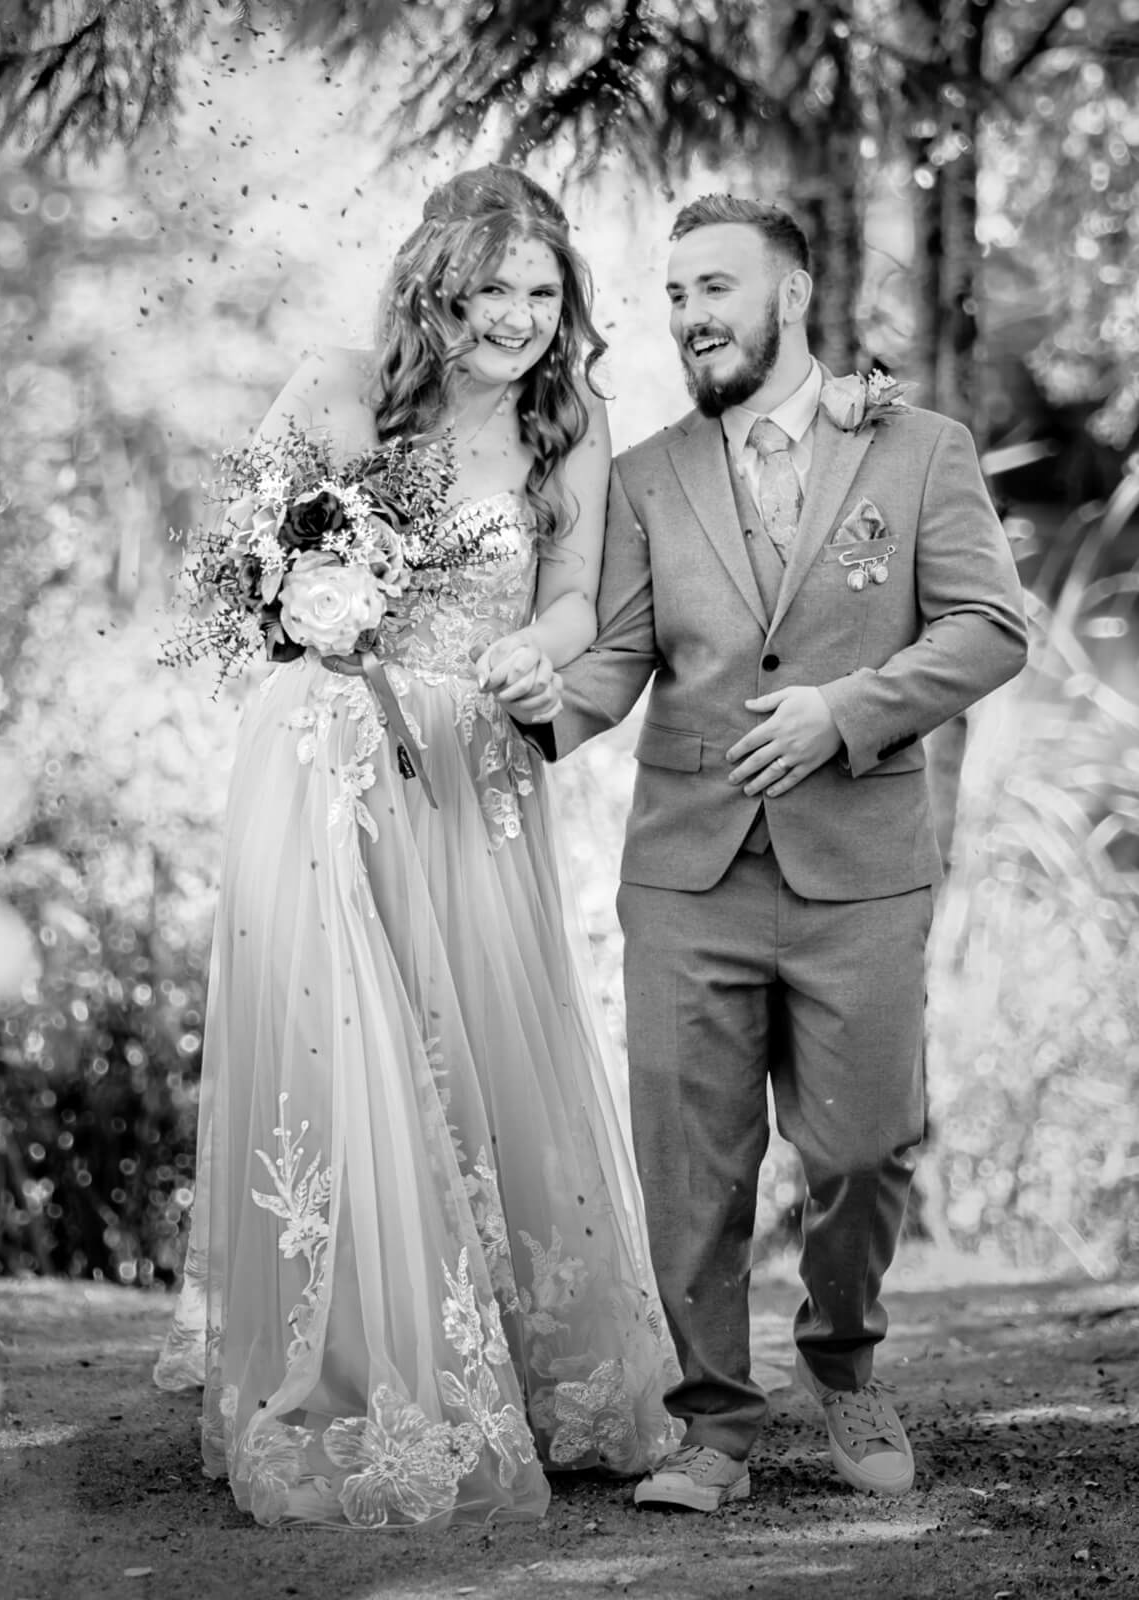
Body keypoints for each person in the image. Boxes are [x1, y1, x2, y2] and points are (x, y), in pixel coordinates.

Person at [154, 165, 679, 1529]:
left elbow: (572, 601)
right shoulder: (335, 390)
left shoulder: (570, 422)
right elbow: (232, 568)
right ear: (431, 284)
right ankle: (356, 1369)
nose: (515, 316)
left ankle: (522, 1357)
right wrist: (309, 609)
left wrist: (534, 657)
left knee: (486, 1049)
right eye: (491, 286)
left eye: (541, 291)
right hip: (325, 758)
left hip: (470, 766)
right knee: (350, 1050)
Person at [496, 193, 1028, 1509]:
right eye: (674, 295)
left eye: (716, 289)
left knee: (865, 1149)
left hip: (860, 870)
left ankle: (845, 1366)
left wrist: (847, 713)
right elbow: (619, 655)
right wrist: (521, 710)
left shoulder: (919, 449)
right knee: (690, 1164)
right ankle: (715, 1429)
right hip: (688, 869)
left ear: (791, 294)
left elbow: (988, 628)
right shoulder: (644, 477)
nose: (691, 319)